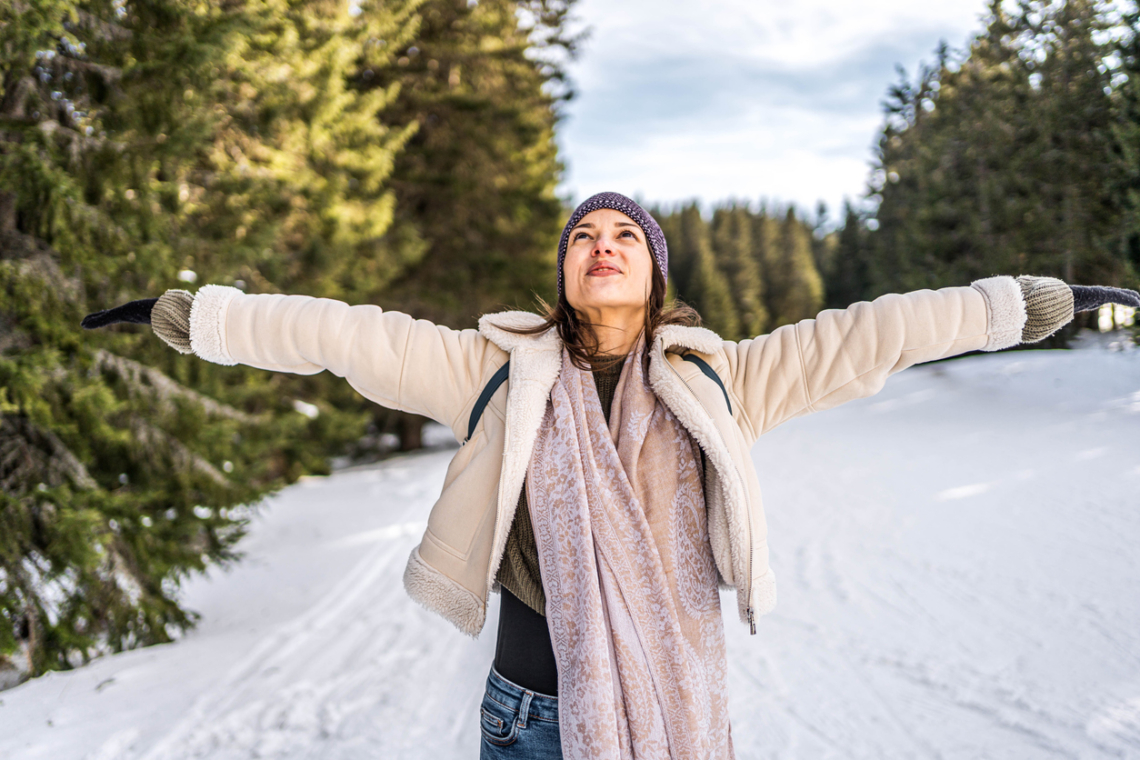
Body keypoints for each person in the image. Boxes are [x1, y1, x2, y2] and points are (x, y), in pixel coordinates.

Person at [83, 191, 1139, 760]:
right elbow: (342, 334)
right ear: (563, 269)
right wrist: (194, 316)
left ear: (654, 268)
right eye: (583, 234)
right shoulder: (495, 370)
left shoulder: (720, 378)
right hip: (528, 718)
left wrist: (1030, 304)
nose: (601, 244)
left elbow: (877, 331)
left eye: (623, 232)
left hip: (674, 710)